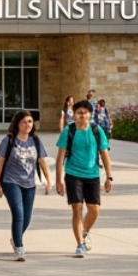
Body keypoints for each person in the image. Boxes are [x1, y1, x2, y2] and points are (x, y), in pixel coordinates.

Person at [55, 99, 112, 257]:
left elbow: (104, 154)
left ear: (90, 115)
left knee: (94, 209)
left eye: (84, 113)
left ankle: (84, 231)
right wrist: (59, 180)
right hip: (73, 174)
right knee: (77, 208)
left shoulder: (96, 130)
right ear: (74, 115)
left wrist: (109, 177)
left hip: (92, 174)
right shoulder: (69, 130)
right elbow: (60, 157)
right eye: (78, 113)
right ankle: (80, 244)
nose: (81, 115)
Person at [0, 110, 51, 262]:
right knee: (18, 213)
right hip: (11, 181)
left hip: (30, 183)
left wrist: (48, 180)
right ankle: (19, 247)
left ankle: (15, 238)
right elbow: (0, 161)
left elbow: (42, 160)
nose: (27, 125)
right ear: (17, 124)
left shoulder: (35, 140)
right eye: (24, 122)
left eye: (30, 122)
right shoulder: (9, 140)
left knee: (27, 217)